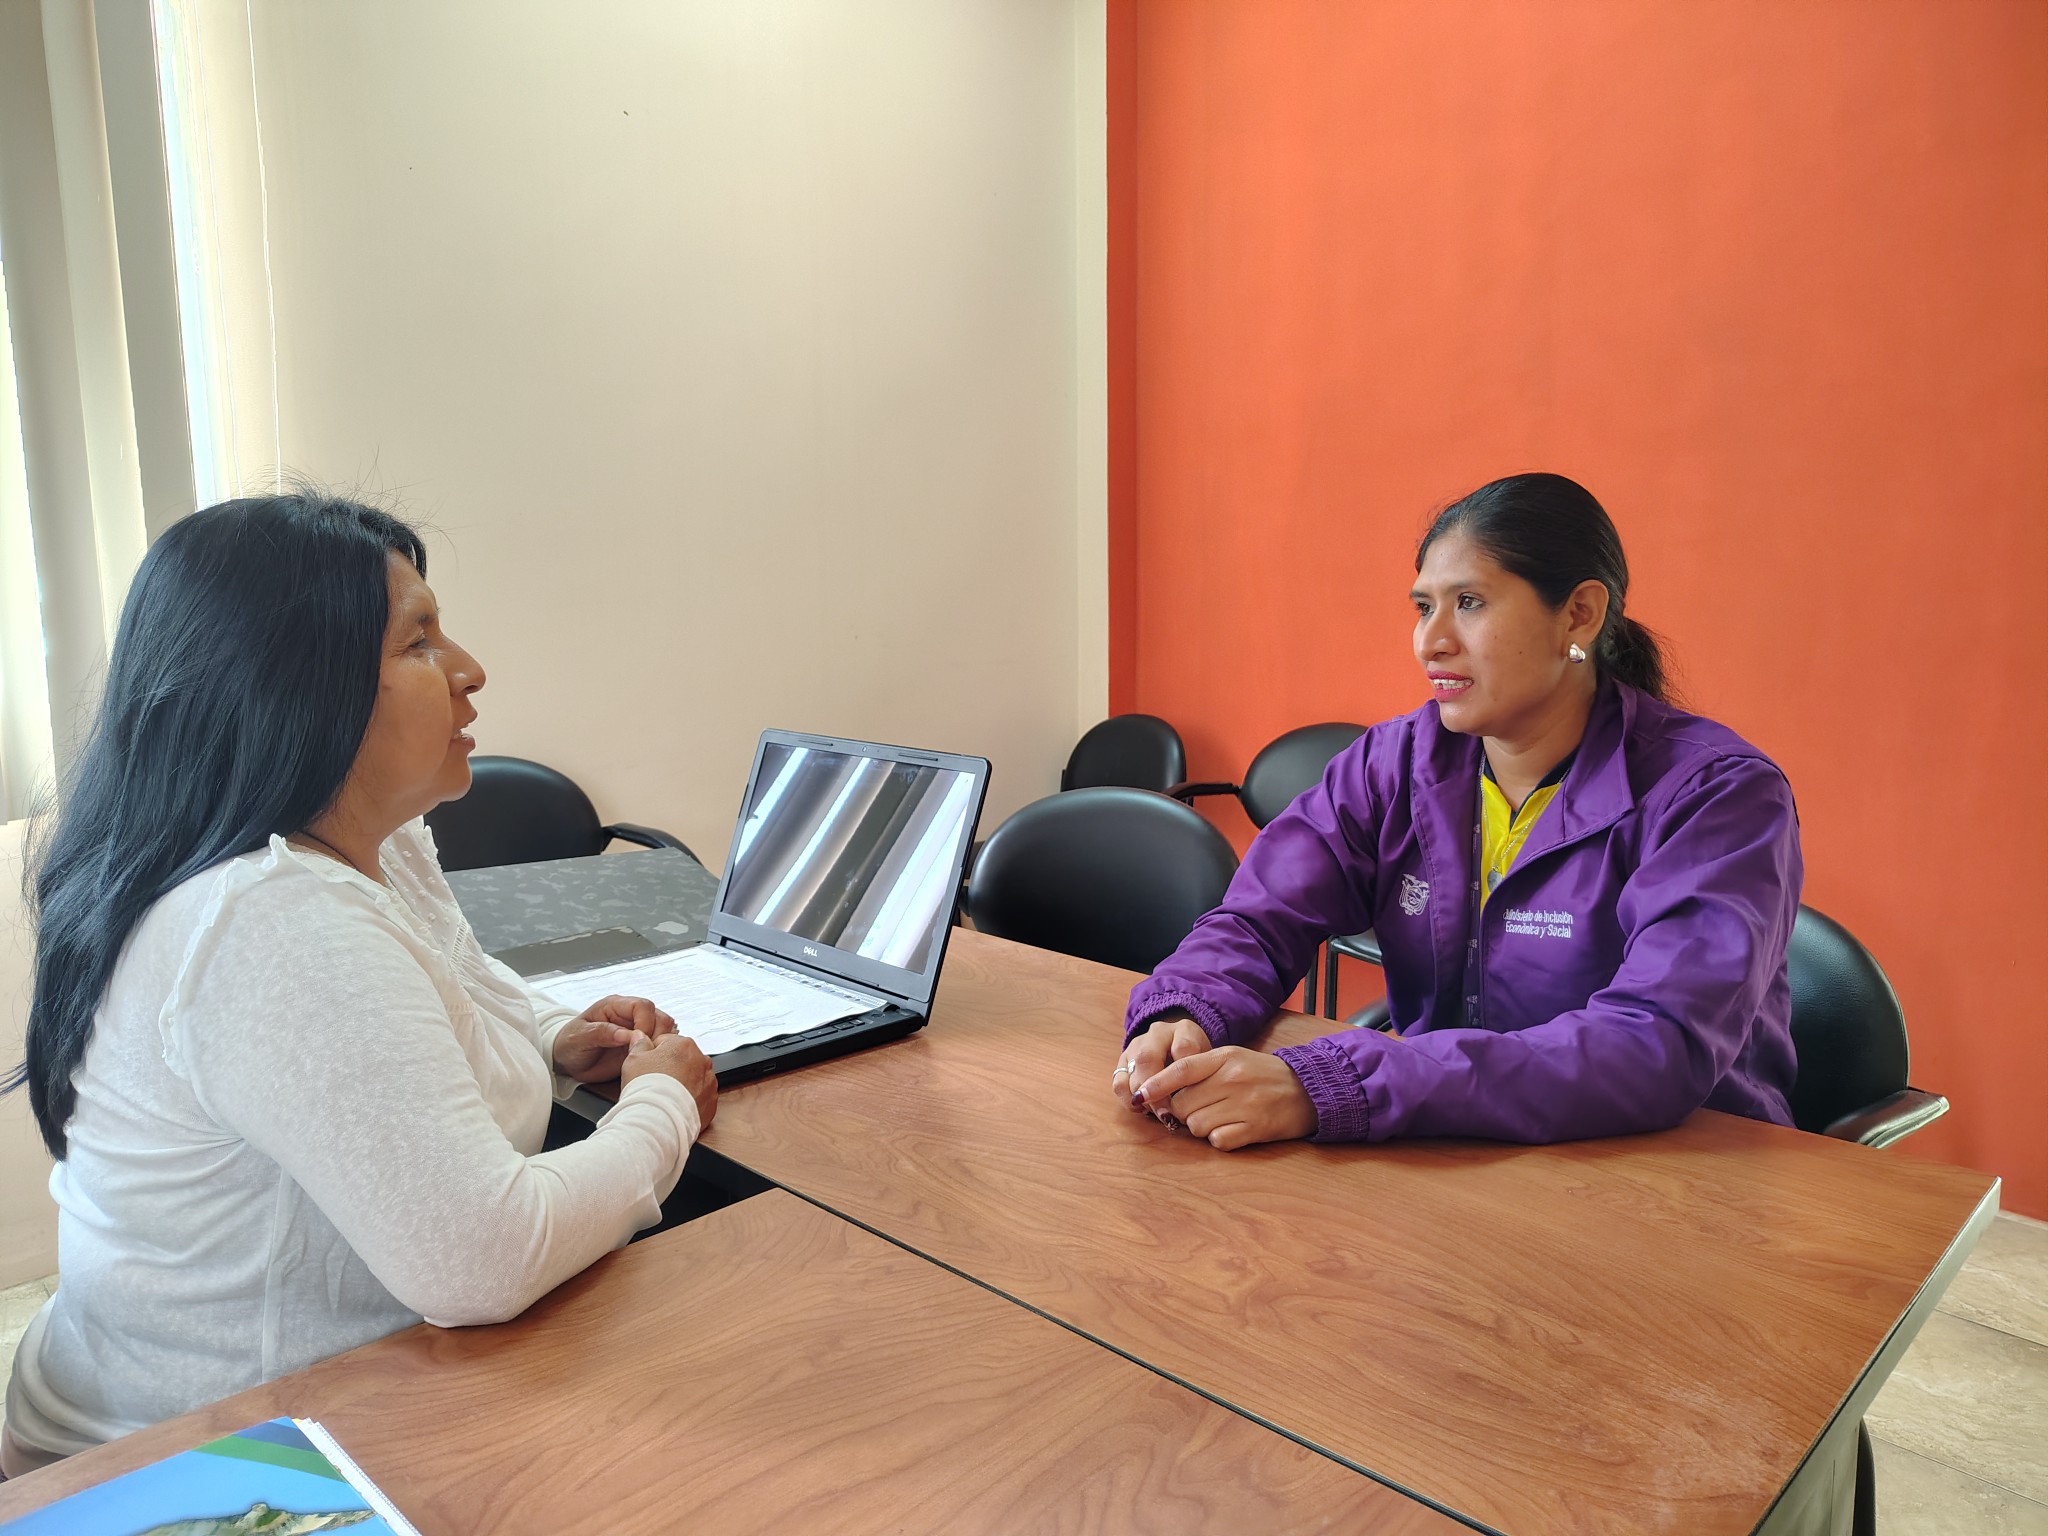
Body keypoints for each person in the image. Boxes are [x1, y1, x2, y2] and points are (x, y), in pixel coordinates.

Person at [1, 493, 717, 1476]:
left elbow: (455, 972)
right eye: (418, 642)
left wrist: (553, 1033)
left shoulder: (365, 841)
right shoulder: (268, 919)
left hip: (274, 1395)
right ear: (293, 690)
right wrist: (663, 1107)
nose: (469, 669)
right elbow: (484, 1258)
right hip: (190, 1460)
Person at [1111, 472, 1801, 1151]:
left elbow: (1654, 1043)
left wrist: (1338, 1084)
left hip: (1674, 1174)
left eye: (1469, 602)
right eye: (1423, 607)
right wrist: (1185, 1011)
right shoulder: (1395, 763)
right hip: (1451, 1152)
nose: (1430, 641)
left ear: (1580, 615)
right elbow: (1261, 917)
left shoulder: (1715, 794)